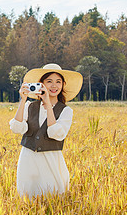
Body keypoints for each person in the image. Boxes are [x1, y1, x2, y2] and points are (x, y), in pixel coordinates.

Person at [9, 63, 83, 198]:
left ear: (63, 85)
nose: (54, 86)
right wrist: (23, 100)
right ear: (41, 84)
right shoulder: (29, 106)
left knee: (53, 197)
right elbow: (17, 128)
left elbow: (55, 133)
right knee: (28, 198)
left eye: (58, 82)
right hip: (28, 159)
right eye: (49, 81)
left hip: (51, 160)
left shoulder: (66, 111)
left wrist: (48, 104)